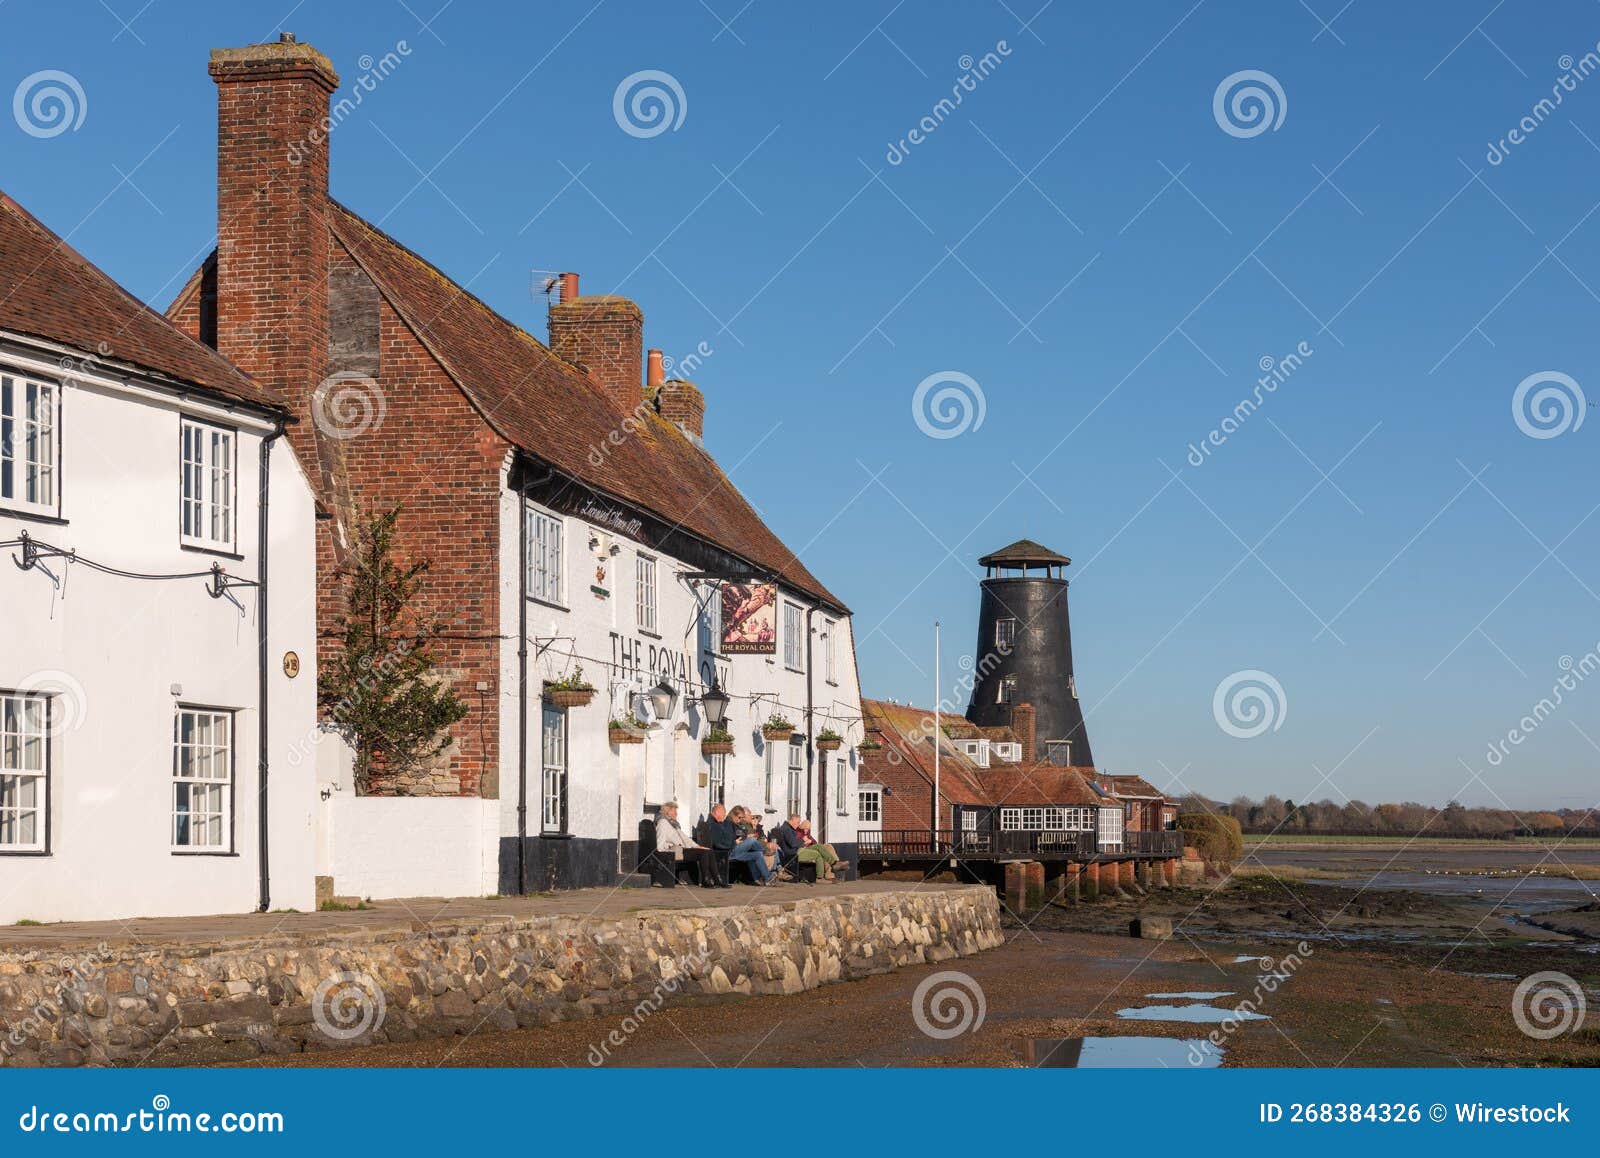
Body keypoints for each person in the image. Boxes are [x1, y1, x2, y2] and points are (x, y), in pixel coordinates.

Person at [654, 801, 722, 887]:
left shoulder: (673, 824)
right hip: (675, 851)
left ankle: (717, 880)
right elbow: (659, 843)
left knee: (709, 851)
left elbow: (685, 838)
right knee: (704, 853)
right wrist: (667, 850)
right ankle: (706, 880)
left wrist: (698, 846)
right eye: (675, 812)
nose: (676, 814)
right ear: (668, 812)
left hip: (683, 849)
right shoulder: (663, 823)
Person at [727, 806, 776, 884]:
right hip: (731, 850)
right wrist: (736, 841)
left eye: (741, 818)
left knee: (757, 854)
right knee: (752, 841)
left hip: (738, 850)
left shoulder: (737, 823)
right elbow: (727, 839)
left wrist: (745, 836)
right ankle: (765, 851)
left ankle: (765, 878)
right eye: (739, 817)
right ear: (733, 814)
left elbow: (741, 833)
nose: (740, 820)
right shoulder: (728, 823)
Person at [698, 803, 736, 889]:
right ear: (717, 813)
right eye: (724, 813)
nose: (725, 815)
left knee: (756, 851)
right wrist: (734, 844)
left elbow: (730, 837)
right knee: (752, 843)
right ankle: (713, 879)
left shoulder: (722, 823)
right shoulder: (712, 824)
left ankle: (716, 879)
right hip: (720, 849)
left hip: (716, 848)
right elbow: (718, 842)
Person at [772, 814, 810, 883]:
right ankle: (821, 875)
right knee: (817, 854)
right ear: (792, 820)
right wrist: (803, 841)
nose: (798, 824)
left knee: (819, 849)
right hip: (793, 852)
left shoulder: (788, 828)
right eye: (798, 822)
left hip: (794, 850)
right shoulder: (787, 829)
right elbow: (793, 844)